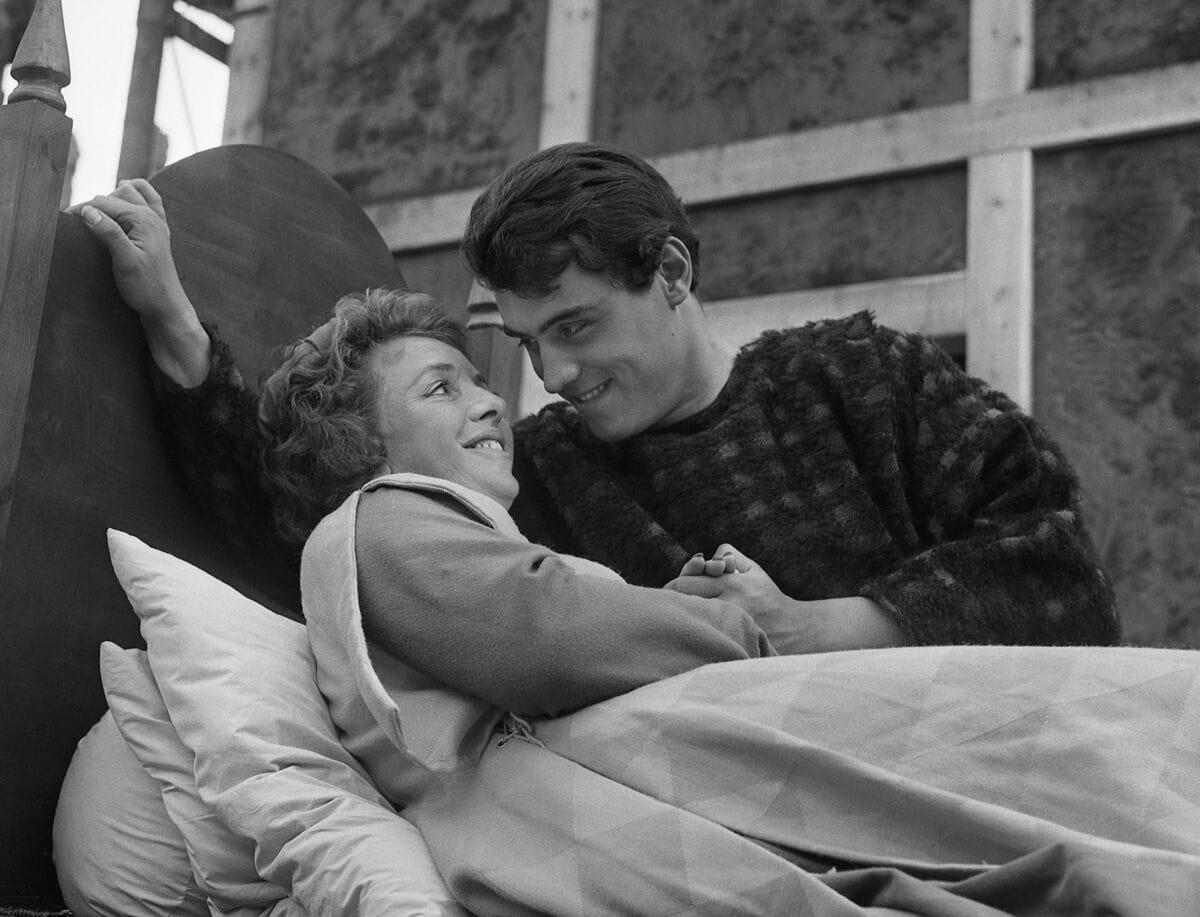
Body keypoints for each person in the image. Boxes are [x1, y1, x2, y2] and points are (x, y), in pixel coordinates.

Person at [77, 139, 1120, 653]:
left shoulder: (863, 377)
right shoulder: (543, 476)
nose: (555, 378)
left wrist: (812, 625)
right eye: (529, 343)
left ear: (670, 271)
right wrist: (174, 325)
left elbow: (1059, 571)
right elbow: (315, 527)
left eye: (575, 327)